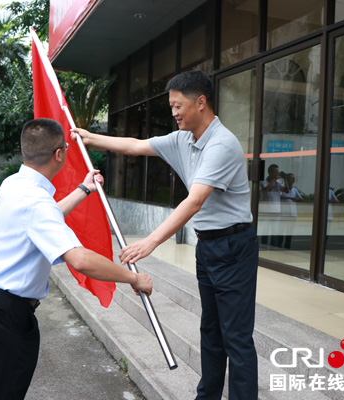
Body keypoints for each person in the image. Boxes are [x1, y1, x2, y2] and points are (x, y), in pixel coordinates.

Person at [72, 70, 259, 400]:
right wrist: (89, 137)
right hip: (209, 245)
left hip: (234, 246)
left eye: (178, 105)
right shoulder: (183, 138)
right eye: (171, 106)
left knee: (236, 337)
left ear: (201, 102)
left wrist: (150, 241)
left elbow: (195, 200)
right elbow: (133, 145)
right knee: (211, 332)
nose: (173, 112)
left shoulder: (222, 144)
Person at [0, 118, 153, 400]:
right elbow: (79, 259)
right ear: (59, 154)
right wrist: (134, 277)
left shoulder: (14, 184)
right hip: (7, 312)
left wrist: (84, 189)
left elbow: (46, 216)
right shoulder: (35, 200)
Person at [260, 164, 288, 247]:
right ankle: (264, 247)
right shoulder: (264, 182)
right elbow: (266, 189)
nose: (277, 174)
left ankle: (273, 248)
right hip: (266, 211)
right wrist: (274, 180)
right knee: (265, 231)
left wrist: (285, 179)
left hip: (276, 211)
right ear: (270, 172)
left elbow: (287, 191)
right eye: (275, 172)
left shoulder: (278, 183)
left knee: (274, 231)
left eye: (277, 172)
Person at [279, 173, 303, 249]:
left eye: (293, 179)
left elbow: (301, 198)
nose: (293, 180)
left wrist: (298, 199)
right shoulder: (282, 188)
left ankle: (287, 247)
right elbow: (280, 196)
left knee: (289, 232)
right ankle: (279, 246)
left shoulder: (295, 189)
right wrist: (290, 198)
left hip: (292, 214)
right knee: (281, 232)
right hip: (284, 214)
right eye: (291, 178)